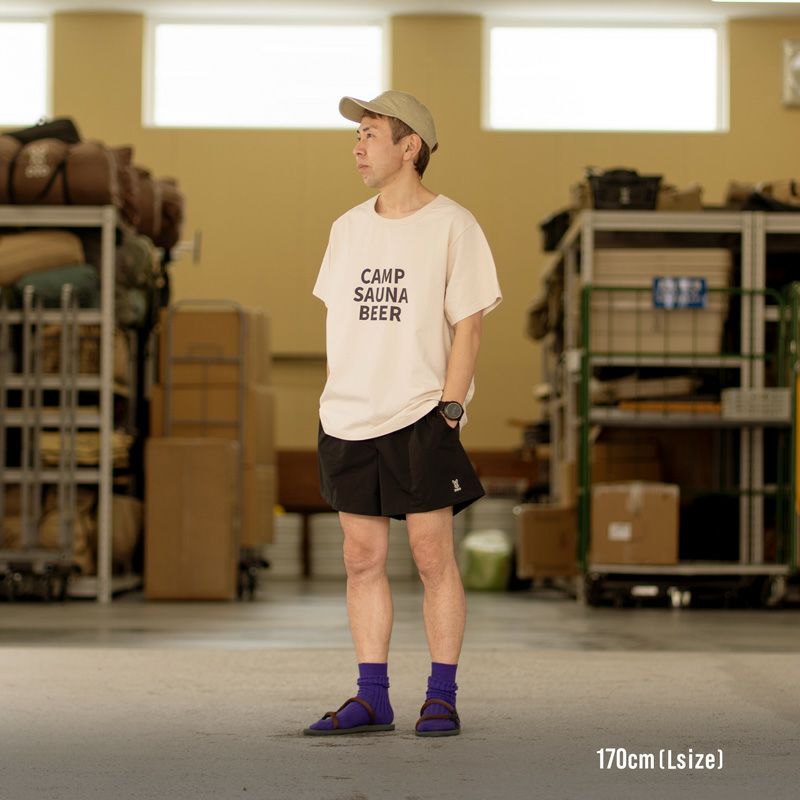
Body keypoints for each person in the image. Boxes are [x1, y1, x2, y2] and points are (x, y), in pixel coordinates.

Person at [303, 90, 501, 738]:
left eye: (370, 134)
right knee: (361, 558)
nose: (357, 147)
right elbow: (343, 323)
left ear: (409, 145)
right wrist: (339, 397)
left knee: (430, 555)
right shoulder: (346, 229)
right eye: (356, 136)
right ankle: (373, 697)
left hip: (421, 414)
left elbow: (469, 326)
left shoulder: (453, 226)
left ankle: (441, 695)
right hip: (349, 418)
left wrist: (451, 409)